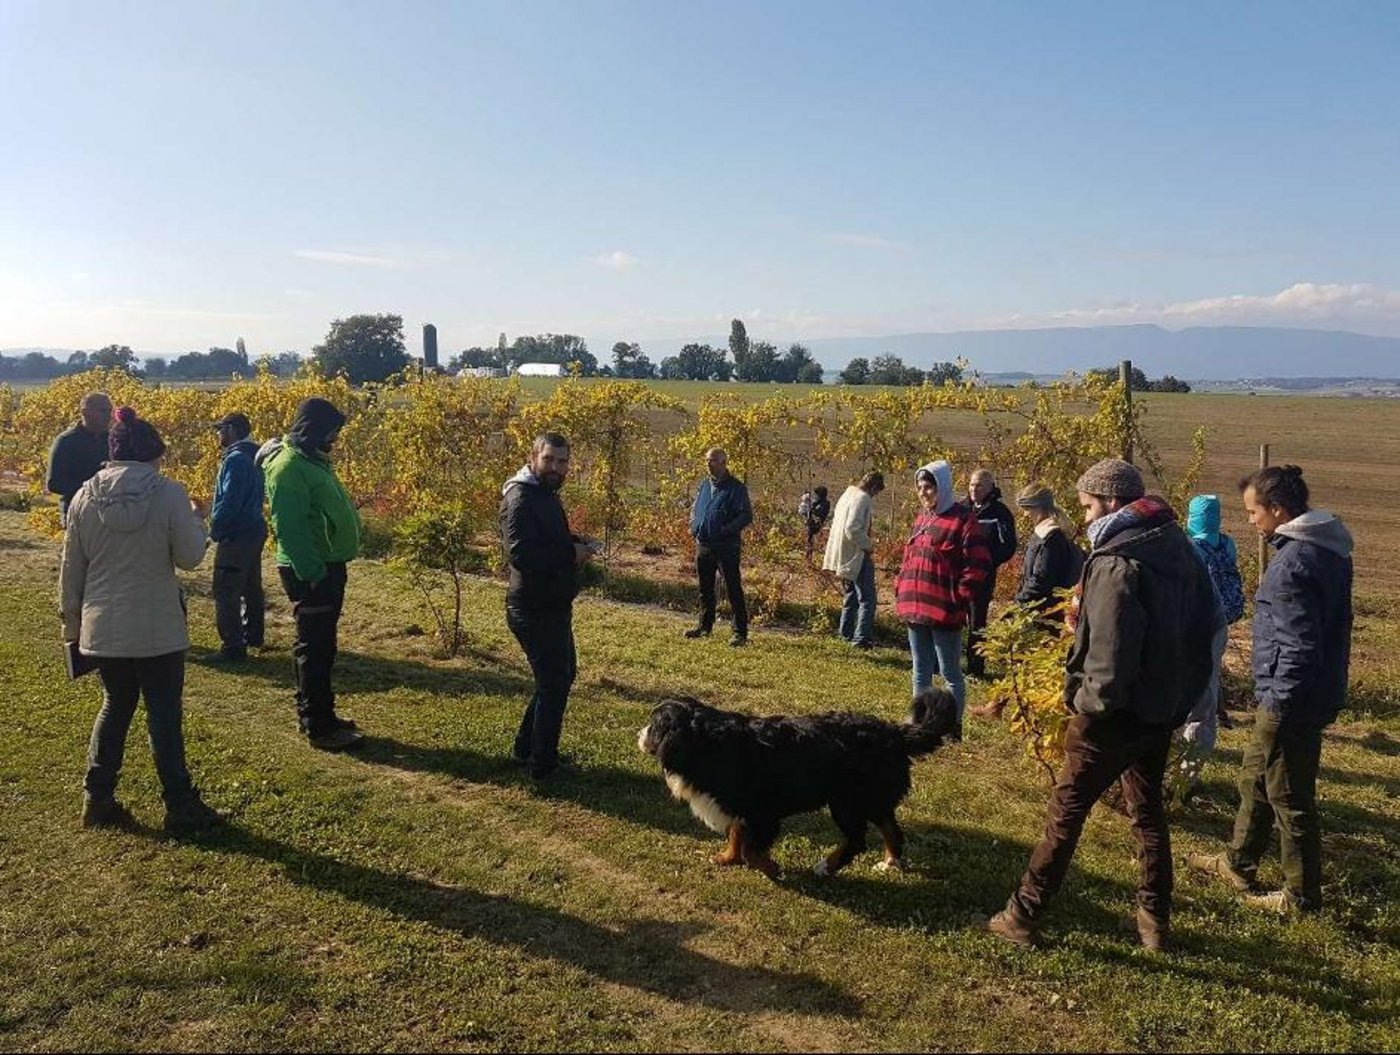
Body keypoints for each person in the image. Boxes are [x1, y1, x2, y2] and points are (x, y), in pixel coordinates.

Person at [987, 459, 1216, 953]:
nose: (1086, 518)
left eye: (1089, 507)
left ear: (1112, 503)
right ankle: (1154, 921)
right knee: (1148, 812)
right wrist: (1180, 698)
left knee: (1065, 813)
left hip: (1112, 716)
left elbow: (1111, 656)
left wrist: (1083, 703)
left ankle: (1023, 914)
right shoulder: (1177, 548)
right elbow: (1206, 630)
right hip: (1160, 711)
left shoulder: (1116, 560)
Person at [1189, 466, 1353, 915]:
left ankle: (1301, 897)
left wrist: (1279, 703)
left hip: (1291, 698)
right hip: (1303, 691)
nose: (1250, 522)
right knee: (1255, 777)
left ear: (1278, 510)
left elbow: (1299, 644)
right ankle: (1239, 862)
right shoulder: (1325, 550)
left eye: (1253, 512)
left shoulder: (1295, 564)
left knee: (1288, 793)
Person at [60, 405, 220, 832]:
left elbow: (71, 568)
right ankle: (180, 805)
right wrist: (195, 520)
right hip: (156, 624)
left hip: (103, 622)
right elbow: (189, 557)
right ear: (151, 454)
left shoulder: (83, 498)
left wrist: (71, 625)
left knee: (115, 705)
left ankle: (98, 797)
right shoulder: (168, 494)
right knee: (163, 713)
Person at [260, 398, 363, 751]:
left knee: (324, 646)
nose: (335, 439)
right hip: (311, 569)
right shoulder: (290, 467)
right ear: (313, 430)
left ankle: (323, 712)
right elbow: (290, 528)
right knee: (314, 647)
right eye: (331, 432)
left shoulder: (312, 460)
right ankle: (317, 724)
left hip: (326, 565)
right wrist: (313, 572)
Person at [499, 432, 596, 780]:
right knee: (554, 682)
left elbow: (543, 540)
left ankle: (528, 749)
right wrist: (571, 554)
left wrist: (573, 541)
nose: (556, 467)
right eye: (549, 459)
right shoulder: (522, 497)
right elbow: (522, 554)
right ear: (533, 457)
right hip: (533, 608)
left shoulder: (544, 493)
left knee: (558, 677)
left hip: (552, 605)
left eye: (562, 461)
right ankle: (542, 764)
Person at [969, 483, 1084, 721]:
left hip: (1042, 612)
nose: (1025, 514)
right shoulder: (1045, 533)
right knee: (1021, 660)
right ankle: (1000, 706)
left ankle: (1021, 711)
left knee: (1029, 661)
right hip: (1038, 609)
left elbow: (1041, 580)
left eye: (1027, 509)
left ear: (1038, 508)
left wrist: (1017, 604)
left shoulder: (1051, 538)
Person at [894, 461, 990, 723]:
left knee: (950, 673)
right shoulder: (922, 518)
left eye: (929, 487)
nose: (923, 493)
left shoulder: (963, 520)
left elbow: (978, 563)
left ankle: (953, 724)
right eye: (920, 488)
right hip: (915, 606)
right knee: (920, 670)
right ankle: (919, 722)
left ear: (942, 487)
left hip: (944, 609)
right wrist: (900, 586)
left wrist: (960, 595)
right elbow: (908, 558)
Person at [1176, 494, 1245, 794]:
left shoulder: (1187, 547)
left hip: (1190, 625)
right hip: (1219, 627)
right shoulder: (1227, 544)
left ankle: (1177, 771)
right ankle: (1192, 769)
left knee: (1183, 697)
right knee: (1207, 692)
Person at [208, 412, 267, 662]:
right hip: (254, 528)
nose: (218, 434)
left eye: (220, 429)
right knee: (250, 585)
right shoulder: (256, 456)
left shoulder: (236, 460)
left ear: (231, 429)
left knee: (226, 588)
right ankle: (253, 634)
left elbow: (230, 501)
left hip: (236, 532)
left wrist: (215, 527)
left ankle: (233, 645)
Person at [685, 447, 754, 647]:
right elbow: (695, 507)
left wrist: (726, 529)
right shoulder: (704, 485)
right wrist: (693, 525)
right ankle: (704, 626)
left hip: (726, 546)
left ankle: (739, 632)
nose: (709, 463)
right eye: (707, 460)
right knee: (705, 588)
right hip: (704, 543)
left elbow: (746, 515)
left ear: (724, 463)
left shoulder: (736, 488)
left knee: (733, 588)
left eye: (713, 460)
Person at [963, 469, 1017, 678]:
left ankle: (975, 669)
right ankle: (945, 662)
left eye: (979, 486)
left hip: (982, 579)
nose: (974, 490)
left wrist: (987, 562)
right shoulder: (962, 508)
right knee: (952, 618)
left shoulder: (1000, 513)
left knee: (977, 623)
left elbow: (1008, 546)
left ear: (990, 487)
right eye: (971, 485)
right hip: (959, 575)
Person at [823, 472, 884, 650]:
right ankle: (862, 639)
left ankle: (845, 633)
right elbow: (852, 528)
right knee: (868, 598)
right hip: (857, 553)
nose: (875, 496)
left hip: (844, 553)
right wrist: (868, 545)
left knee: (850, 595)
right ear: (873, 487)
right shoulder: (862, 498)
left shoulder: (848, 493)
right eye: (876, 492)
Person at [46, 391, 112, 526]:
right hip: (77, 512)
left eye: (109, 411)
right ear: (85, 412)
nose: (108, 416)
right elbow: (54, 484)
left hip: (110, 514)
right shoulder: (66, 441)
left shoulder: (114, 441)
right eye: (102, 410)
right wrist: (92, 489)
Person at [802, 485, 831, 560]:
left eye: (816, 495)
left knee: (813, 542)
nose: (815, 496)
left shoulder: (825, 504)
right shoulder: (817, 503)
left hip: (817, 526)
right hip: (811, 525)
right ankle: (808, 556)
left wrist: (812, 510)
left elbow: (818, 514)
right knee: (809, 541)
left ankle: (810, 557)